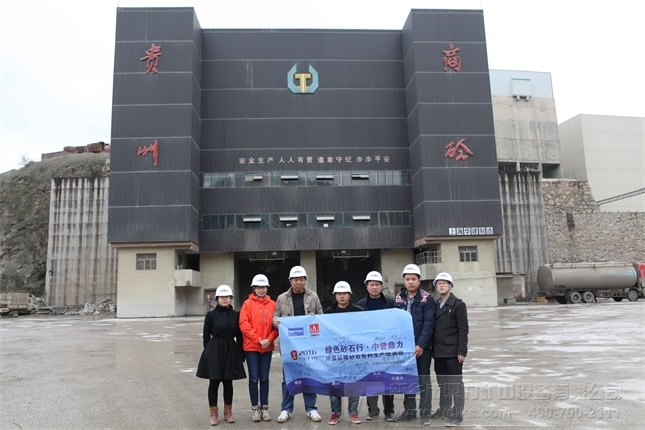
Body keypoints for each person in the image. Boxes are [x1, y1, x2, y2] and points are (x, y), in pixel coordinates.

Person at [272, 265, 324, 423]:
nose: (298, 282)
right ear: (290, 281)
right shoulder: (282, 298)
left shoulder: (313, 296)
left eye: (301, 279)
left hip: (308, 344)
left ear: (305, 280)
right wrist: (276, 321)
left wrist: (315, 318)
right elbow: (275, 316)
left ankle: (311, 408)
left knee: (309, 375)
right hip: (290, 345)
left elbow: (321, 316)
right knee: (288, 376)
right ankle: (286, 409)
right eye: (295, 280)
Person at [196, 285, 247, 426]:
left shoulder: (236, 315)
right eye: (222, 297)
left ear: (231, 298)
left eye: (227, 297)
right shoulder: (211, 315)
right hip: (214, 349)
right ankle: (213, 413)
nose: (225, 299)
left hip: (230, 349)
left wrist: (241, 353)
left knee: (228, 382)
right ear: (217, 299)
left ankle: (228, 412)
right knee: (214, 382)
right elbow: (206, 335)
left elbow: (240, 336)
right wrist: (208, 353)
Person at [394, 264, 435, 424]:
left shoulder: (427, 298)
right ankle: (409, 411)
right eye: (407, 279)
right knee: (407, 379)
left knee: (424, 380)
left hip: (422, 348)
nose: (410, 282)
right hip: (405, 348)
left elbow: (429, 323)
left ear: (419, 280)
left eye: (413, 279)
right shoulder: (399, 298)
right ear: (404, 281)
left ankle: (425, 414)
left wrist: (421, 345)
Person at [355, 271, 396, 422]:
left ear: (381, 286)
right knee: (371, 380)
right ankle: (372, 411)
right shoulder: (360, 305)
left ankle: (389, 411)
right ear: (367, 286)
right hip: (368, 349)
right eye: (371, 284)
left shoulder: (390, 302)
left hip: (387, 348)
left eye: (377, 284)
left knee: (387, 380)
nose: (374, 287)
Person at [430, 272, 469, 427]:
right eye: (438, 283)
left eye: (444, 283)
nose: (441, 285)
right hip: (439, 351)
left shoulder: (458, 305)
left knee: (455, 383)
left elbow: (463, 329)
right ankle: (444, 409)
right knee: (443, 383)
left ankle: (457, 414)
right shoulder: (435, 305)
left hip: (453, 352)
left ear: (450, 286)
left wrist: (462, 351)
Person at [239, 274, 279, 422]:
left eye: (264, 287)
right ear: (254, 288)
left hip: (267, 347)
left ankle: (265, 408)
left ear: (267, 288)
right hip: (251, 347)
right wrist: (258, 339)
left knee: (264, 378)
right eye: (258, 287)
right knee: (253, 378)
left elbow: (277, 325)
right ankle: (255, 409)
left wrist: (269, 339)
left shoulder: (273, 304)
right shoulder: (247, 304)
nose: (261, 290)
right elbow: (244, 324)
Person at [324, 281, 364, 425]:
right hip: (335, 354)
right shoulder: (328, 313)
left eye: (344, 294)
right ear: (335, 295)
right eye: (339, 294)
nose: (342, 296)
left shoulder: (358, 311)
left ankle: (353, 412)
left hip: (353, 353)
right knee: (335, 382)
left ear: (349, 295)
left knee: (354, 382)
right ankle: (335, 412)